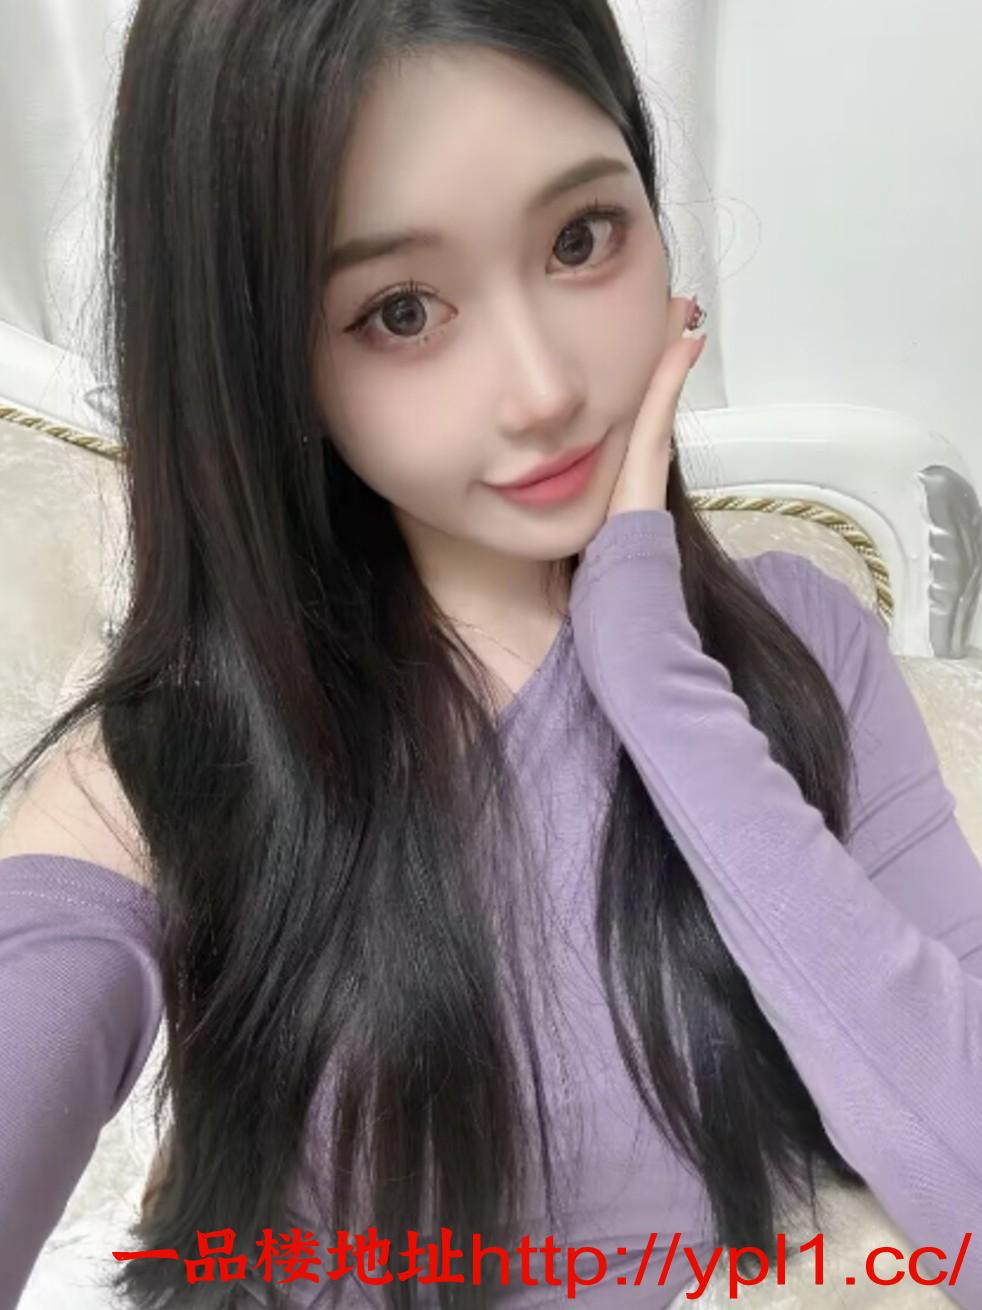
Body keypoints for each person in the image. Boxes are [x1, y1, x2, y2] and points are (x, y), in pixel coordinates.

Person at [1, 1, 980, 1307]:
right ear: (260, 359)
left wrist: (661, 682)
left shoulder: (805, 646)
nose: (543, 389)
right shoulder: (163, 773)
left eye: (581, 237)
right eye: (401, 310)